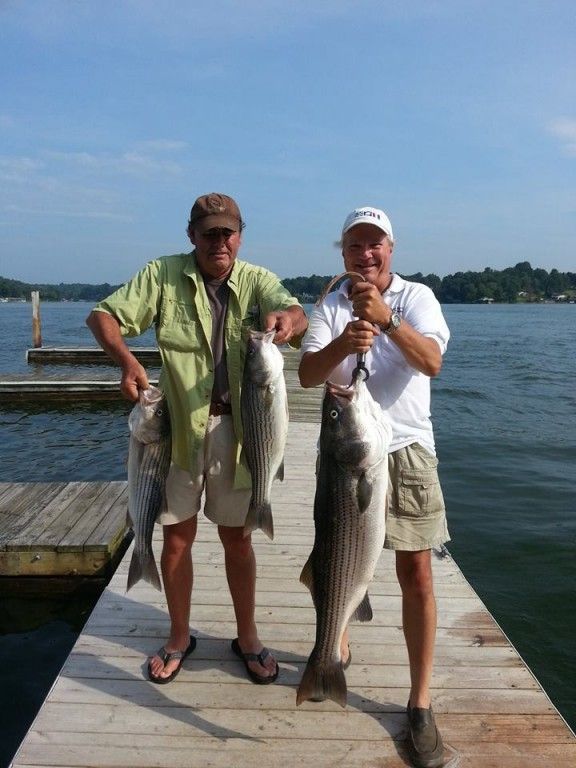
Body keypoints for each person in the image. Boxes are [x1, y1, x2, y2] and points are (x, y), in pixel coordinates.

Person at [87, 192, 308, 686]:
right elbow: (103, 315)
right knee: (177, 537)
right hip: (177, 426)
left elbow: (295, 314)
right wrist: (127, 361)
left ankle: (247, 636)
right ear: (192, 235)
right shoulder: (163, 274)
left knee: (238, 540)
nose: (219, 242)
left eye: (228, 232)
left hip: (242, 427)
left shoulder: (257, 280)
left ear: (240, 235)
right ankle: (179, 634)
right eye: (209, 233)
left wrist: (288, 322)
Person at [298, 206, 449, 768]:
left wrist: (387, 322)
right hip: (345, 453)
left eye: (375, 245)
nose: (366, 255)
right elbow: (309, 374)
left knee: (417, 573)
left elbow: (431, 362)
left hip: (406, 449)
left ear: (392, 249)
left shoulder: (418, 299)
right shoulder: (330, 306)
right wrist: (344, 343)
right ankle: (333, 646)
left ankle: (419, 703)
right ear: (343, 253)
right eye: (355, 246)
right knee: (332, 555)